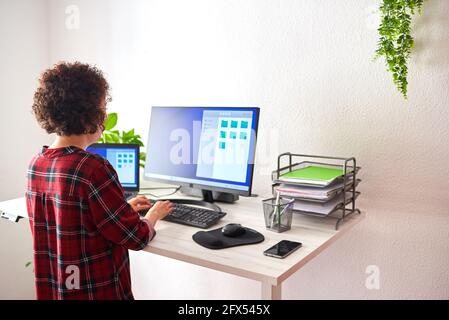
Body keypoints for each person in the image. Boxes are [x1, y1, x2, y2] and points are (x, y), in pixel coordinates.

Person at [27, 61, 173, 300]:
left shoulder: (37, 164)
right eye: (103, 107)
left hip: (59, 291)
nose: (105, 115)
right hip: (97, 292)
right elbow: (134, 237)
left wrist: (123, 209)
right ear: (88, 114)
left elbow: (77, 219)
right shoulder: (93, 168)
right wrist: (153, 215)